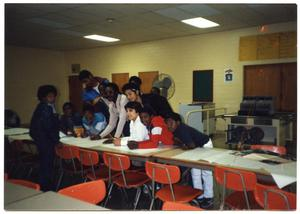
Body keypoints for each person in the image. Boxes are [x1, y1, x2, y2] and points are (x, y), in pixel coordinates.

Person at [165, 112, 214, 209]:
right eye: (167, 123)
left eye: (171, 123)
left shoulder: (182, 129)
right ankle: (199, 196)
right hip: (195, 148)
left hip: (205, 145)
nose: (168, 125)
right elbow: (177, 140)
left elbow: (191, 145)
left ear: (178, 122)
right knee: (195, 172)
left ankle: (209, 197)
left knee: (206, 172)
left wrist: (183, 146)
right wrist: (182, 144)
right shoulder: (175, 129)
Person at [29, 85, 60, 191]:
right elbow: (49, 127)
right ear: (43, 97)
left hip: (41, 140)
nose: (53, 98)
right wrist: (56, 141)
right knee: (47, 165)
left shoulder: (40, 107)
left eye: (54, 96)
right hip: (46, 141)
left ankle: (43, 186)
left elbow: (32, 129)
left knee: (44, 164)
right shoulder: (46, 108)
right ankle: (47, 188)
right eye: (50, 96)